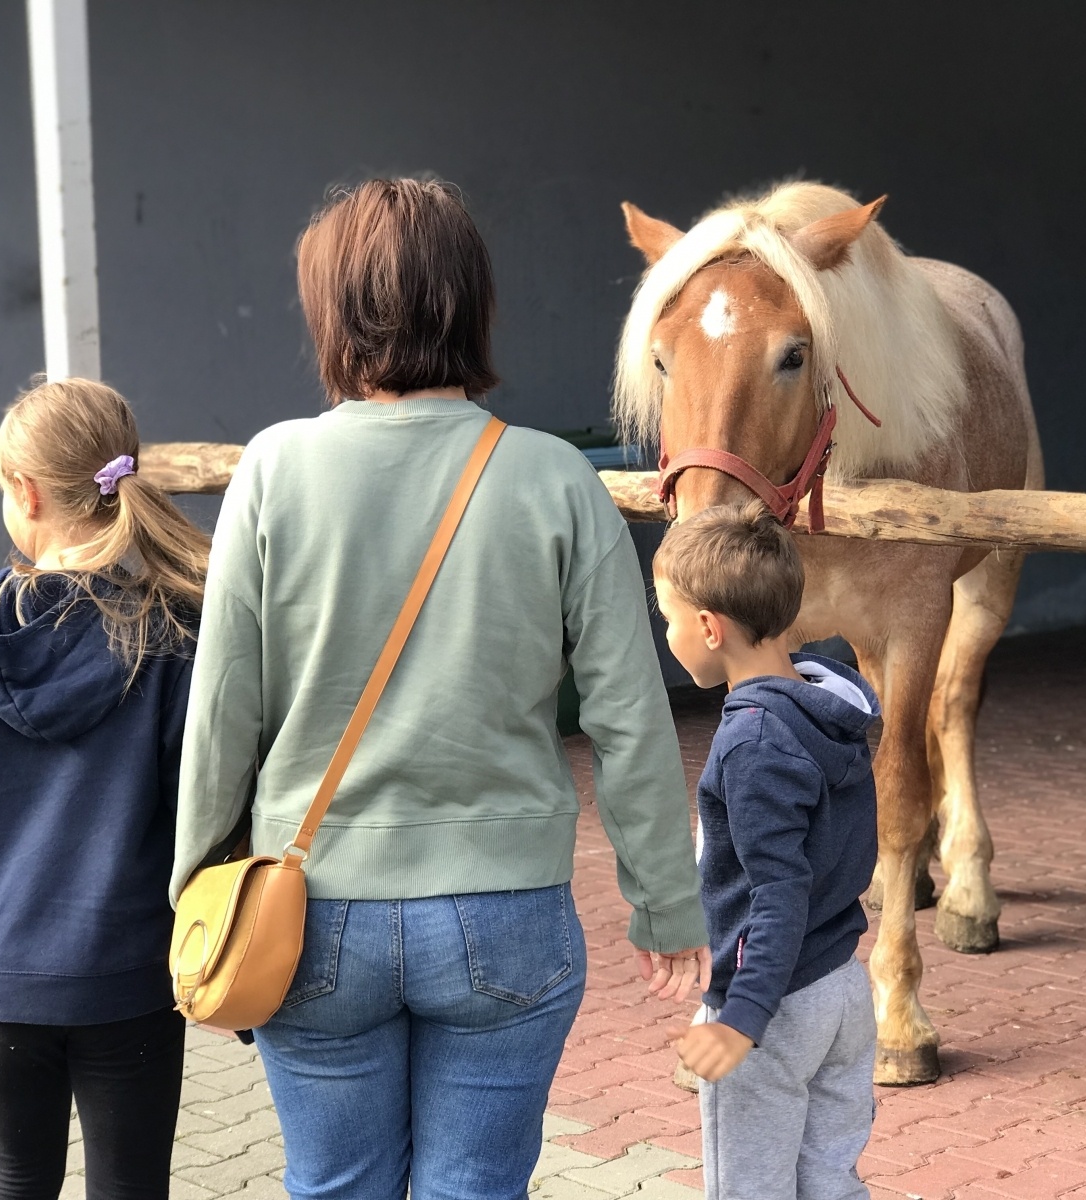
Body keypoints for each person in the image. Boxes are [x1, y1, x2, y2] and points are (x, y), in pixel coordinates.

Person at [171, 178, 709, 1200]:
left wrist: (195, 889)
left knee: (333, 1184)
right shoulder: (556, 480)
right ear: (472, 302)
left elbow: (221, 711)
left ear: (331, 309)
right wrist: (663, 906)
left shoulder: (272, 472)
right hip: (506, 909)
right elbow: (631, 720)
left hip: (308, 903)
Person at [0, 378, 210, 1200]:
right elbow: (198, 811)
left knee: (12, 1178)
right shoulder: (172, 632)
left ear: (25, 490)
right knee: (131, 1186)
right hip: (128, 973)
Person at [655, 501, 881, 1200]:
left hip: (775, 1007)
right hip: (843, 990)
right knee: (829, 1183)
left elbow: (775, 895)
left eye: (668, 619)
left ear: (708, 628)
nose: (667, 634)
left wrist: (739, 1020)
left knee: (750, 1189)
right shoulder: (826, 712)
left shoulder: (752, 742)